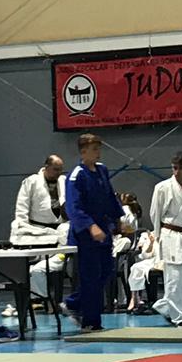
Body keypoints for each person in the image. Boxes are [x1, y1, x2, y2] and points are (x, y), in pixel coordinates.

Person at [64, 132, 123, 333]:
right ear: (83, 152)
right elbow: (73, 207)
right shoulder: (76, 175)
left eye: (99, 149)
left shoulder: (102, 170)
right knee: (90, 275)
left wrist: (118, 219)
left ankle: (74, 303)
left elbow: (110, 197)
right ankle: (91, 321)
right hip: (85, 233)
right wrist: (90, 226)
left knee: (107, 270)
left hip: (103, 229)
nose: (98, 153)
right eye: (94, 149)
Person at [149, 151, 182, 327]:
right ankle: (180, 317)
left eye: (180, 168)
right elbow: (155, 214)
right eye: (174, 168)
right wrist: (158, 238)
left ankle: (165, 307)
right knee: (175, 278)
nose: (177, 172)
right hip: (171, 235)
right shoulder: (162, 187)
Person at [11, 155, 70, 309]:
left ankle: (45, 298)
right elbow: (21, 208)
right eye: (55, 169)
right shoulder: (31, 181)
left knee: (53, 262)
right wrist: (23, 227)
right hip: (37, 230)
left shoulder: (64, 181)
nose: (58, 172)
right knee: (34, 268)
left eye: (60, 169)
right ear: (46, 167)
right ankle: (38, 299)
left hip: (60, 229)